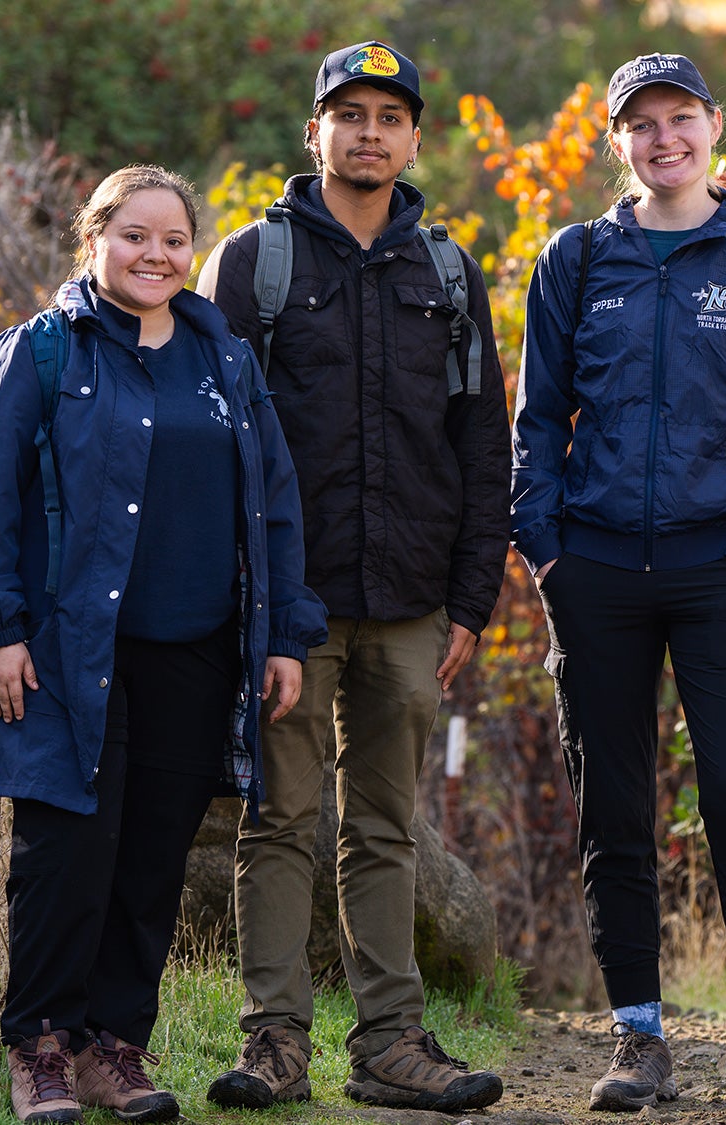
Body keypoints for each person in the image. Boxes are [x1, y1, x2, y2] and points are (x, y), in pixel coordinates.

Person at [0, 165, 328, 1124]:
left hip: (196, 655)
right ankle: (41, 1050)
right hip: (71, 652)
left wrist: (282, 634)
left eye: (174, 240)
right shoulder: (40, 352)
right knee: (66, 856)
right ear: (95, 239)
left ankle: (116, 1047)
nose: (156, 255)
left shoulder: (224, 359)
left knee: (151, 860)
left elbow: (273, 499)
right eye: (135, 236)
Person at [192, 40, 510, 1114]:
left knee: (384, 828)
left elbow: (482, 445)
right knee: (279, 820)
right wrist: (242, 596)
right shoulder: (251, 263)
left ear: (414, 137)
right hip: (290, 601)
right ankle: (272, 1045)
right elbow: (213, 438)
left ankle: (390, 1049)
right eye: (349, 113)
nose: (368, 131)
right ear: (312, 132)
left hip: (415, 603)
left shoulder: (448, 273)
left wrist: (472, 601)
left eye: (389, 114)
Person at [511, 52, 726, 1115]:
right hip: (595, 568)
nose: (663, 139)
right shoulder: (574, 259)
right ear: (618, 141)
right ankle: (637, 1038)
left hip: (718, 568)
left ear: (712, 127)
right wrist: (547, 551)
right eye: (640, 123)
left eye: (679, 118)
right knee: (614, 806)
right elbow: (533, 425)